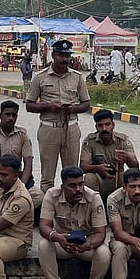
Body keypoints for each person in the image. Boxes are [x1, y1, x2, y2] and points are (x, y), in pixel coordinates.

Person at [37, 166, 110, 279]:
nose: (78, 189)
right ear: (63, 186)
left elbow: (100, 233)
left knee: (104, 252)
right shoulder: (52, 195)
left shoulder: (93, 198)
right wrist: (57, 237)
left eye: (80, 184)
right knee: (44, 245)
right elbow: (44, 226)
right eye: (72, 185)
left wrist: (88, 245)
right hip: (62, 243)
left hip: (86, 245)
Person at [26, 39, 90, 195]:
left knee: (72, 173)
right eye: (61, 55)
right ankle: (47, 209)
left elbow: (86, 103)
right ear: (53, 55)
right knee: (47, 176)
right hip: (49, 129)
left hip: (71, 128)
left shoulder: (77, 77)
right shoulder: (40, 77)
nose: (65, 59)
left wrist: (73, 108)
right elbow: (29, 105)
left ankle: (72, 206)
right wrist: (48, 106)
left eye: (67, 56)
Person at [0, 100, 35, 209]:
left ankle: (8, 211)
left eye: (14, 115)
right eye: (7, 114)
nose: (11, 118)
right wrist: (2, 172)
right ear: (0, 115)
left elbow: (28, 164)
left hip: (14, 178)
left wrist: (21, 185)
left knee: (38, 195)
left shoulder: (22, 135)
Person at [79, 109, 138, 201]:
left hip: (118, 179)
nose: (104, 129)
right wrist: (99, 168)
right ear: (96, 126)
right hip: (100, 180)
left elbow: (135, 166)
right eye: (100, 125)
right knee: (89, 178)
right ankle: (94, 206)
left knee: (129, 178)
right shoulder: (90, 141)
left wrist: (126, 157)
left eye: (107, 124)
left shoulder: (122, 140)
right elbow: (83, 167)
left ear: (113, 125)